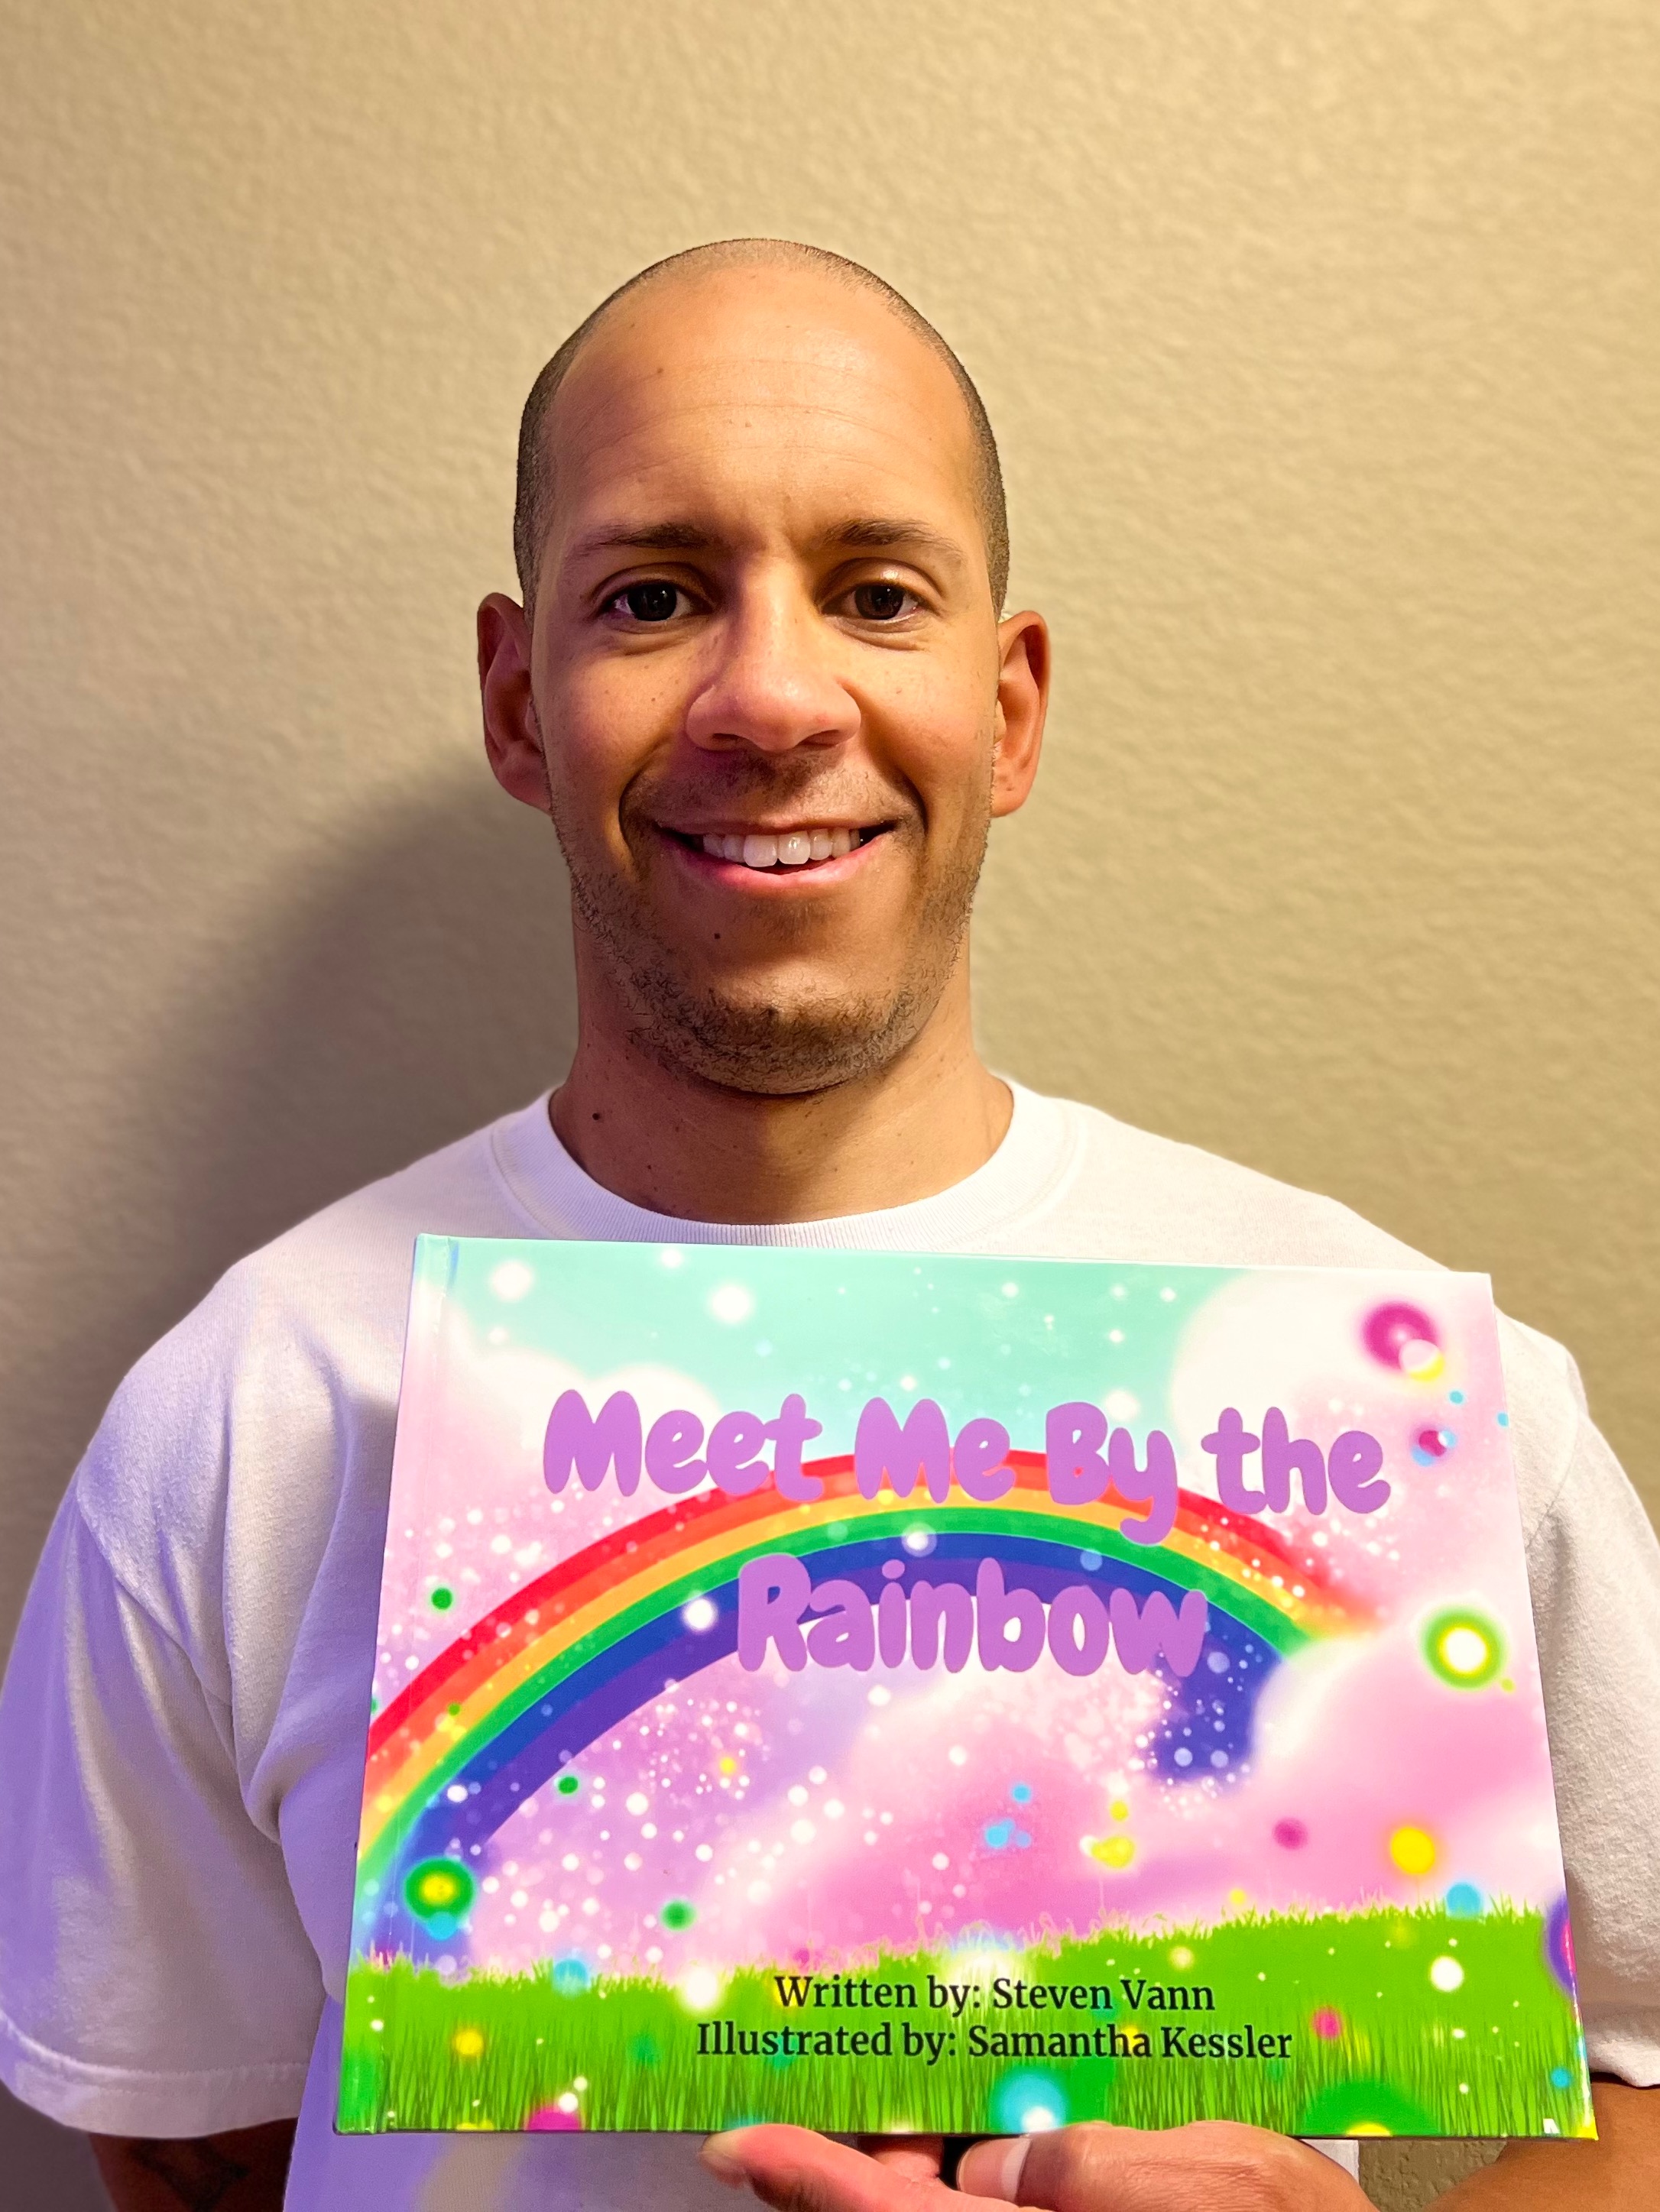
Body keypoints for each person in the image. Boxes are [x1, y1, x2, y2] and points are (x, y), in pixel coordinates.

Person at [0, 239, 1654, 2212]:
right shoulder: (250, 1409)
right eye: (653, 594)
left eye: (875, 593)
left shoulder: (1404, 1385)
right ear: (519, 702)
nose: (774, 696)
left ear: (1007, 709)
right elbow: (189, 2143)